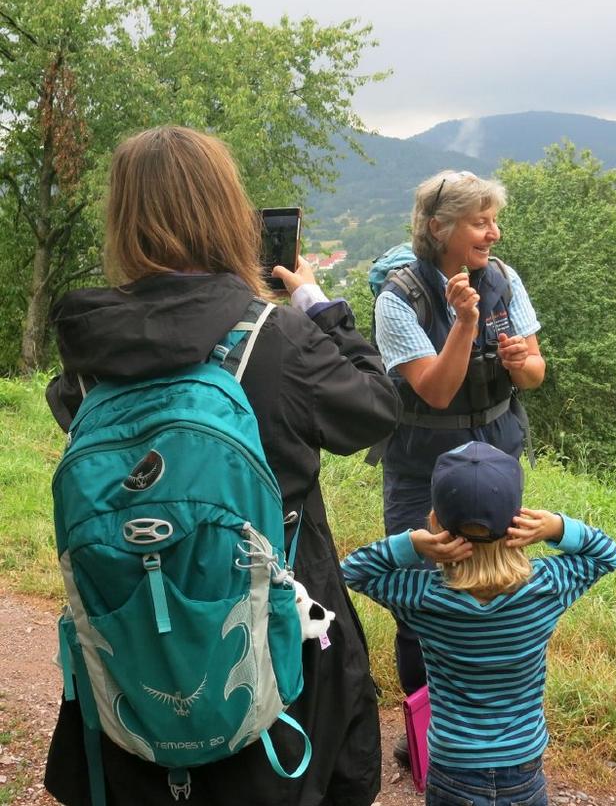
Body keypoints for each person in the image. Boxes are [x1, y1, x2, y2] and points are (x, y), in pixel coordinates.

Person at [43, 126, 401, 806]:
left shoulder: (88, 348)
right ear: (227, 213)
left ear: (124, 219)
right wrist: (318, 304)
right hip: (279, 647)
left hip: (135, 644)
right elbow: (375, 407)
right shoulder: (280, 337)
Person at [342, 440, 616, 806]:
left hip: (451, 768)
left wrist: (414, 544)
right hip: (522, 768)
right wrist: (557, 528)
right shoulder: (547, 587)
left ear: (436, 523)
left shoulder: (423, 596)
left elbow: (351, 571)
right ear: (519, 523)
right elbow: (608, 554)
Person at [373, 169, 546, 719]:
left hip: (494, 461)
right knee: (419, 596)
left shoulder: (503, 278)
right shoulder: (398, 299)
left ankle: (490, 718)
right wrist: (466, 323)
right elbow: (437, 391)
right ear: (438, 227)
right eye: (481, 222)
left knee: (495, 586)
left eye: (494, 220)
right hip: (420, 469)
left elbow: (537, 372)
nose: (493, 233)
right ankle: (427, 730)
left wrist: (523, 364)